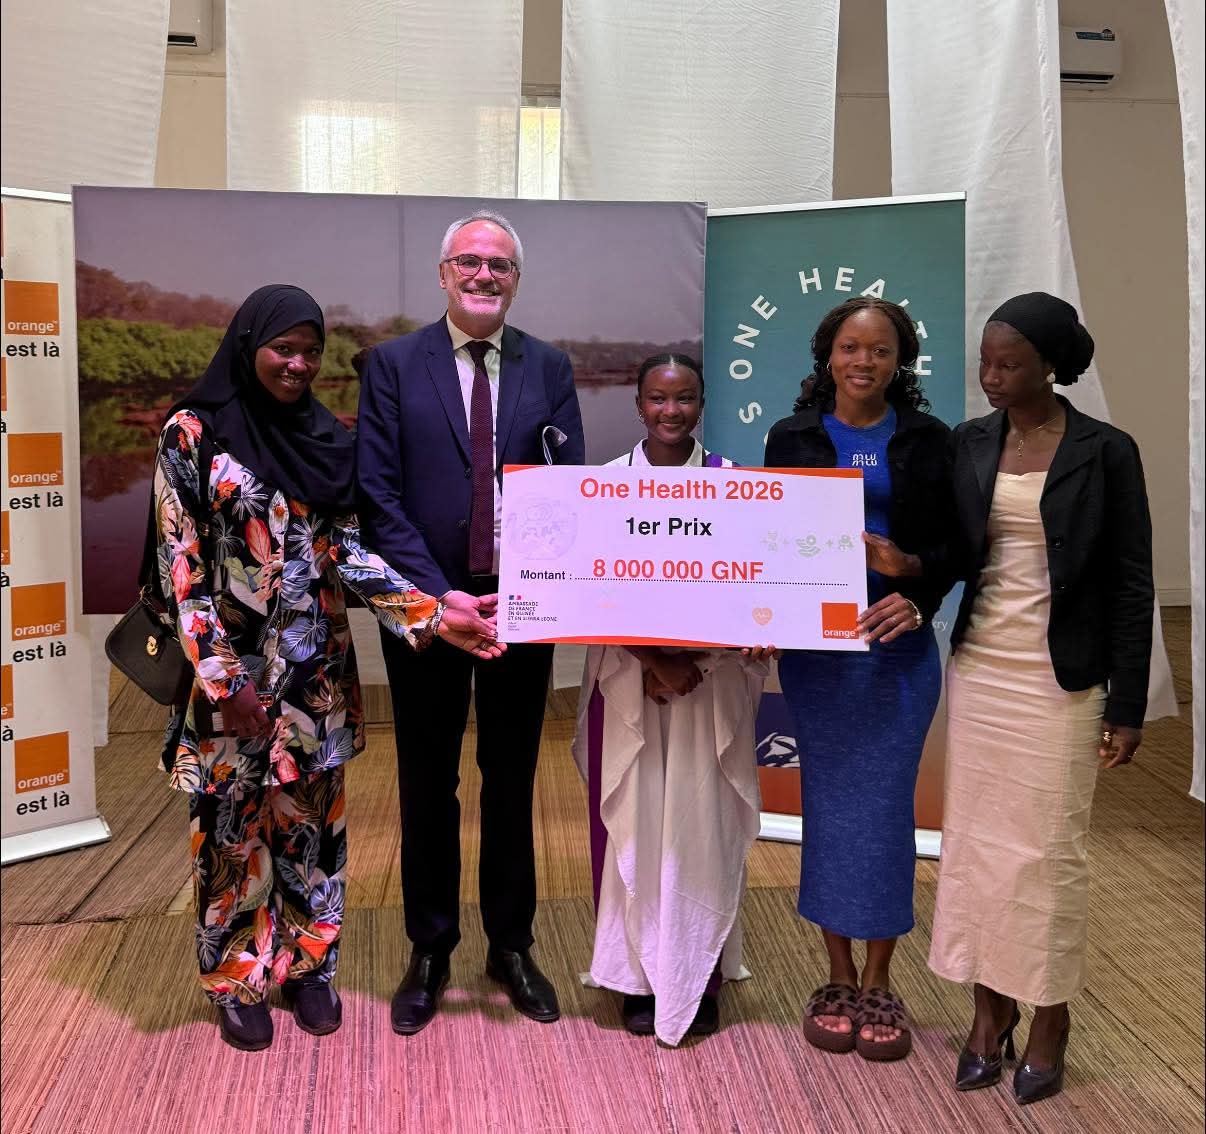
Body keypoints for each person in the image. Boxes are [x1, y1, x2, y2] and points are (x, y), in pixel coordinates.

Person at [152, 284, 502, 1052]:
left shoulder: (324, 435)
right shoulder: (193, 435)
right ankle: (238, 978)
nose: (299, 364)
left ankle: (309, 968)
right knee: (230, 832)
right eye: (284, 348)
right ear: (250, 345)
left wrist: (432, 614)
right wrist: (226, 683)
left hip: (315, 677)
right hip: (233, 679)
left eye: (311, 351)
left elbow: (349, 552)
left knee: (312, 831)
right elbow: (182, 569)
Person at [356, 210, 585, 1034]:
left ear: (515, 279)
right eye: (470, 262)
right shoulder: (391, 365)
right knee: (428, 781)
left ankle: (512, 945)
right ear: (444, 274)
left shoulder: (548, 367)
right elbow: (377, 494)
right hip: (428, 613)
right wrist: (437, 597)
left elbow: (565, 490)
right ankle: (431, 946)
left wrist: (520, 593)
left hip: (520, 608)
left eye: (500, 265)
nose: (485, 275)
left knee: (513, 778)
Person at [929, 292, 1153, 1105]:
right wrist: (901, 571)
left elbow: (1132, 583)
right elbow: (953, 554)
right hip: (982, 671)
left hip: (1062, 682)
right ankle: (989, 1012)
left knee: (1049, 852)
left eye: (1009, 364)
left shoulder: (1107, 451)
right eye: (985, 362)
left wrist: (1127, 704)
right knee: (978, 846)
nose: (991, 377)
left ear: (1050, 366)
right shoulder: (970, 441)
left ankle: (1051, 1016)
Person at [763, 297, 955, 1061]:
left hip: (897, 655)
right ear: (828, 356)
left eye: (879, 350)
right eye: (850, 348)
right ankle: (836, 975)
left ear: (900, 360)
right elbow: (772, 539)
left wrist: (916, 587)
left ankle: (880, 979)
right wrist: (763, 618)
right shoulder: (794, 436)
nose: (863, 362)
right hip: (818, 657)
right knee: (830, 806)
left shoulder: (930, 441)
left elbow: (958, 545)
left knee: (884, 811)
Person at [571, 353, 770, 1045]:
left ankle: (698, 974)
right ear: (638, 404)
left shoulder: (736, 488)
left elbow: (753, 588)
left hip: (709, 688)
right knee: (635, 820)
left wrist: (707, 657)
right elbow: (586, 590)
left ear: (702, 403)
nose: (671, 411)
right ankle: (632, 974)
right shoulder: (603, 488)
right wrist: (655, 658)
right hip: (630, 682)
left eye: (684, 398)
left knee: (699, 826)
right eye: (658, 398)